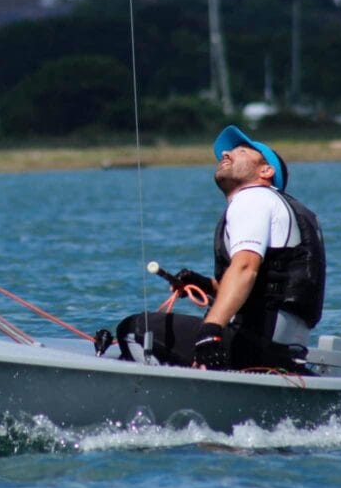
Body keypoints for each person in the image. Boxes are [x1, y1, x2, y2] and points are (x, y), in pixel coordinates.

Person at [115, 124, 326, 371]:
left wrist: (211, 330)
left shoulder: (253, 197)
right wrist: (206, 285)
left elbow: (246, 268)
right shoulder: (278, 206)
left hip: (257, 347)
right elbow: (262, 289)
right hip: (284, 351)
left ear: (266, 171)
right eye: (227, 152)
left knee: (136, 329)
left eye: (242, 151)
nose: (226, 154)